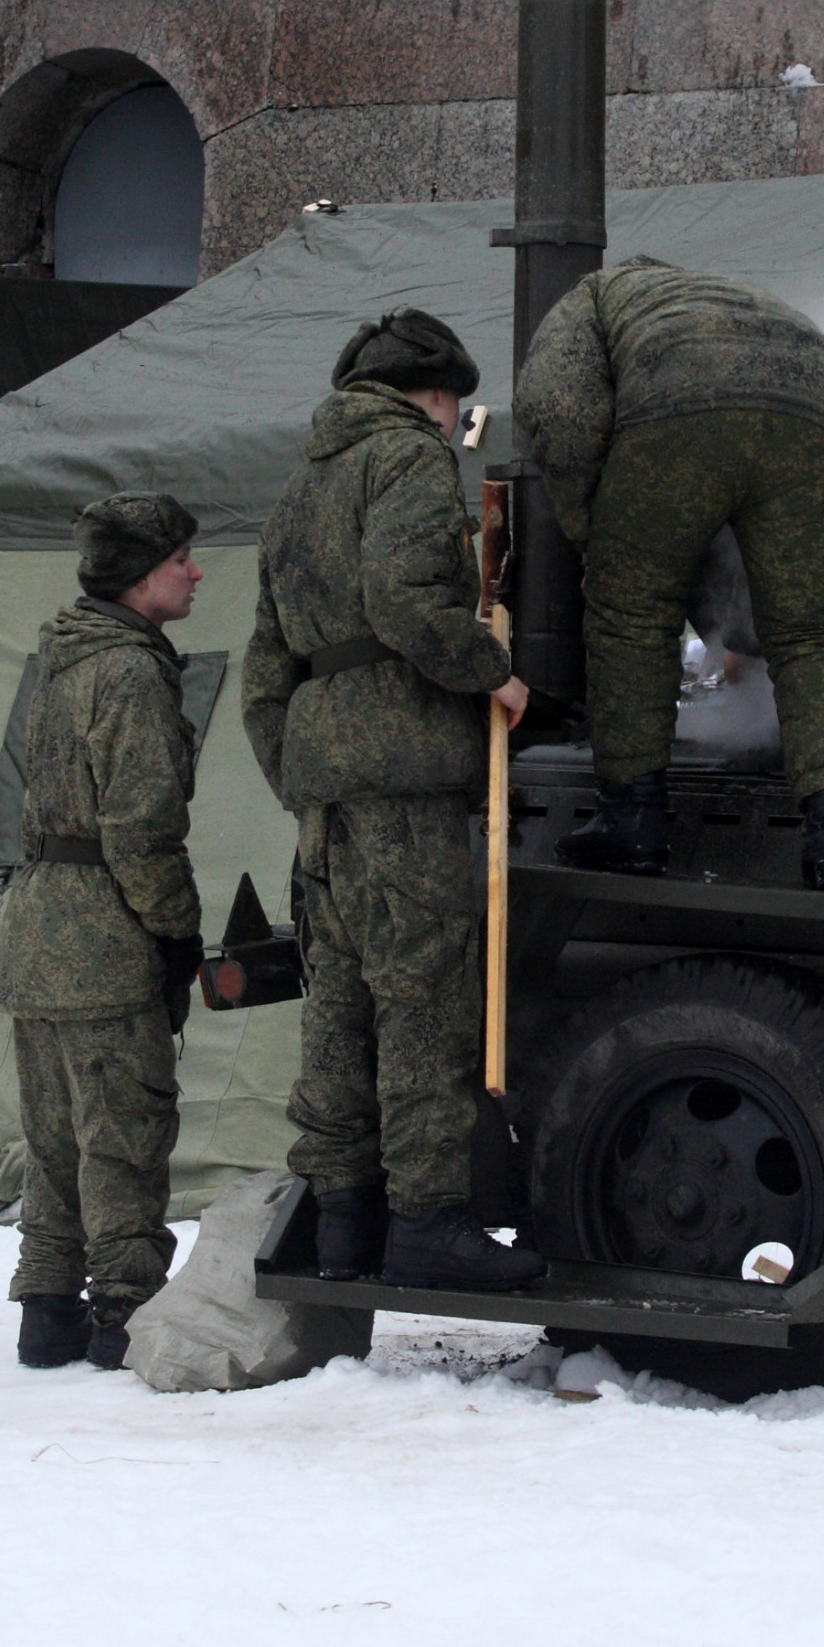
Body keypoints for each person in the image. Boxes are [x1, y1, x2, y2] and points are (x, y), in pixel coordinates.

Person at [242, 309, 541, 1293]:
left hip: (321, 797)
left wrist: (302, 770)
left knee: (337, 1010)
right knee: (421, 1001)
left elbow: (263, 671)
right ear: (438, 392)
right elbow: (410, 602)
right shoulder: (407, 460)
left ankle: (341, 1228)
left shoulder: (298, 490)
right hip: (405, 777)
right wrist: (489, 669)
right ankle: (427, 1224)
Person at [511, 254, 824, 890]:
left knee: (631, 610)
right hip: (819, 399)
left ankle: (631, 825)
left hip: (682, 397)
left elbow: (560, 416)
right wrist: (738, 623)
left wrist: (594, 533)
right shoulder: (743, 296)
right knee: (820, 632)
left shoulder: (589, 300)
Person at [0, 494, 209, 1371]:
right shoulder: (128, 672)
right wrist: (177, 932)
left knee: (54, 1139)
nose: (196, 571)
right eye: (180, 559)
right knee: (122, 1130)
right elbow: (141, 826)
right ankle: (124, 1312)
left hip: (37, 929)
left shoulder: (64, 657)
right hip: (104, 937)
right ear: (137, 573)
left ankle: (48, 1307)